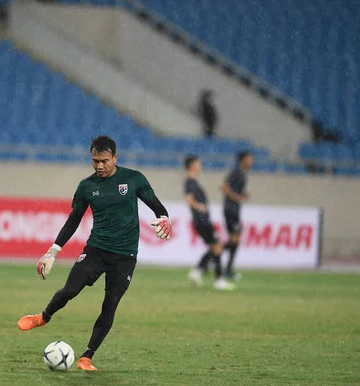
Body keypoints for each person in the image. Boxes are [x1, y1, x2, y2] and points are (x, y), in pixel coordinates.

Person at [17, 135, 173, 372]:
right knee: (70, 289)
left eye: (104, 161)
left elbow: (159, 209)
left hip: (125, 256)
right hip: (96, 250)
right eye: (94, 161)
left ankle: (86, 357)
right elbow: (73, 221)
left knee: (110, 305)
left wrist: (165, 220)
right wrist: (53, 251)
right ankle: (43, 317)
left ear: (115, 158)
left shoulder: (133, 179)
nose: (99, 166)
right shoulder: (87, 187)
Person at [184, 155, 234, 291]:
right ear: (192, 165)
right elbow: (189, 199)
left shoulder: (192, 181)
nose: (200, 165)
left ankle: (197, 271)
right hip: (202, 220)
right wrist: (199, 207)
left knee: (214, 247)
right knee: (217, 247)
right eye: (198, 163)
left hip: (201, 220)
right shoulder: (190, 181)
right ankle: (219, 280)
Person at [221, 150, 254, 280]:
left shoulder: (242, 174)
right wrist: (237, 197)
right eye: (249, 158)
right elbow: (224, 186)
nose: (252, 161)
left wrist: (242, 194)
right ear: (243, 159)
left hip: (234, 209)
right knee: (235, 239)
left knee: (234, 240)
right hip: (230, 209)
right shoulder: (236, 172)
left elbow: (234, 188)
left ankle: (226, 267)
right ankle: (213, 255)